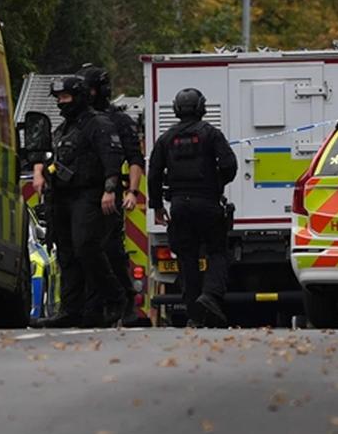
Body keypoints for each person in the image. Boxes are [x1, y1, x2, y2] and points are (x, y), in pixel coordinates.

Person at [34, 75, 127, 328]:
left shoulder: (98, 124)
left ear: (80, 97)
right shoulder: (63, 129)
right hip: (62, 197)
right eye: (59, 98)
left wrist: (109, 189)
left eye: (65, 97)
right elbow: (49, 156)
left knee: (86, 245)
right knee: (66, 253)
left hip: (89, 194)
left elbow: (111, 157)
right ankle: (70, 310)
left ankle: (114, 296)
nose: (61, 103)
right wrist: (40, 173)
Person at [147, 88, 237, 327]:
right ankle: (210, 295)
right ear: (202, 108)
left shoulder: (166, 139)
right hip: (208, 203)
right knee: (217, 251)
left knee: (187, 258)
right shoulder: (211, 134)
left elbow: (154, 173)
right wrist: (216, 184)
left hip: (178, 206)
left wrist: (156, 206)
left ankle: (195, 314)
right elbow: (230, 165)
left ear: (176, 109)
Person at [77, 64, 145, 321]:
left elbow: (135, 159)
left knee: (110, 248)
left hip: (109, 194)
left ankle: (124, 297)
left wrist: (133, 192)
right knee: (82, 249)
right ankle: (92, 305)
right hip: (80, 194)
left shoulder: (119, 120)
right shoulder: (77, 119)